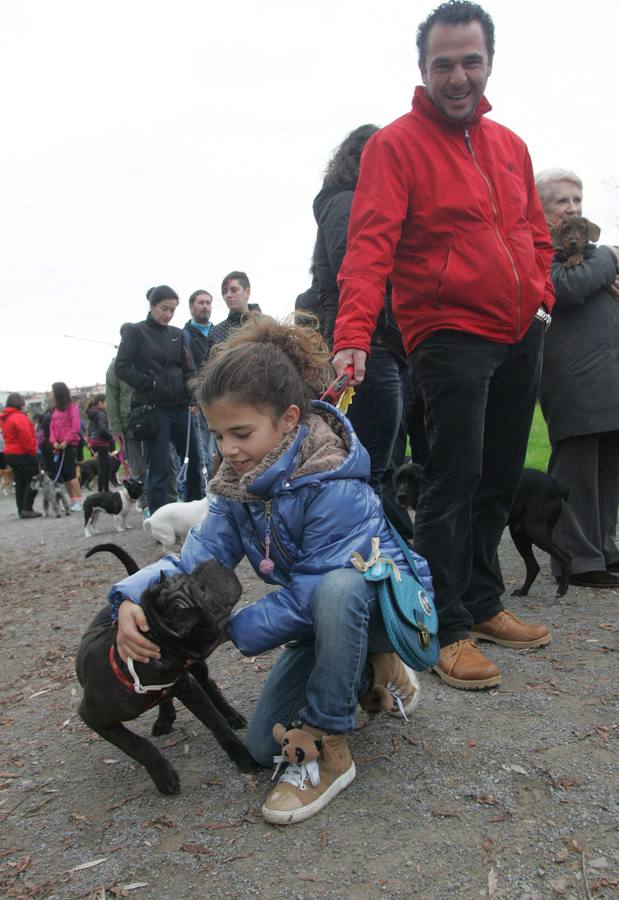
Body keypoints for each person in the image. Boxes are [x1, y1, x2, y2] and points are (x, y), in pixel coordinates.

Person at [109, 315, 433, 825]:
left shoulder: (334, 483)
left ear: (288, 419)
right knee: (263, 747)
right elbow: (195, 561)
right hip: (320, 623)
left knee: (338, 587)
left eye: (240, 433)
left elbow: (310, 596)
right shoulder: (238, 485)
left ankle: (329, 745)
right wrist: (131, 598)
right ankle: (375, 671)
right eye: (216, 435)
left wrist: (221, 631)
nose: (227, 450)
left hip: (378, 610)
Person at [331, 0, 554, 690]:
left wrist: (541, 291)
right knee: (450, 481)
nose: (457, 77)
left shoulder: (509, 145)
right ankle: (441, 623)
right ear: (422, 68)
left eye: (470, 62)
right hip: (449, 332)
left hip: (520, 330)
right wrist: (352, 335)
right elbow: (368, 247)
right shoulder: (394, 145)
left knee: (498, 476)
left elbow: (532, 227)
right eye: (443, 64)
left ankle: (482, 602)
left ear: (488, 61)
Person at [312, 124, 412, 539]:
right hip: (366, 343)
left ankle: (375, 551)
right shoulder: (349, 203)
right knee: (368, 466)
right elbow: (351, 267)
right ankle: (362, 558)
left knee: (378, 464)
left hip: (379, 341)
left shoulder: (349, 202)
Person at [535, 169, 619, 588]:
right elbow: (566, 288)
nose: (572, 209)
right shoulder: (539, 252)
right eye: (562, 202)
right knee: (578, 470)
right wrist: (611, 257)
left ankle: (603, 549)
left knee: (607, 467)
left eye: (577, 202)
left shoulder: (591, 254)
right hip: (572, 378)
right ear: (542, 210)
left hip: (607, 376)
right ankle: (577, 559)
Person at [115, 286, 202, 514]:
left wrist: (193, 396)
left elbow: (189, 369)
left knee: (194, 459)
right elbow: (122, 367)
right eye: (164, 308)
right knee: (159, 467)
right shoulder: (136, 332)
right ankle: (160, 518)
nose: (168, 314)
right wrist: (149, 383)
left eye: (173, 310)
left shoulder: (177, 334)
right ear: (152, 306)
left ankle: (195, 513)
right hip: (154, 409)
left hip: (181, 407)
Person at [106, 324, 177, 510]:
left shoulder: (152, 359)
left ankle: (172, 502)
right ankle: (146, 505)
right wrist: (116, 428)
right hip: (130, 423)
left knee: (166, 463)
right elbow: (111, 399)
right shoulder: (115, 367)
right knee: (138, 469)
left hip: (156, 418)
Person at [183, 289, 217, 482]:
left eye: (208, 302)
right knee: (203, 451)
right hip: (197, 404)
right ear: (191, 307)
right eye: (200, 302)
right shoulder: (183, 336)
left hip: (219, 400)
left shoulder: (218, 331)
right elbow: (186, 371)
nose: (205, 306)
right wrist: (192, 399)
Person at [0, 393, 41, 519]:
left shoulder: (5, 417)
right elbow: (26, 437)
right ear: (20, 403)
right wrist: (32, 452)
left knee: (20, 482)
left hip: (10, 453)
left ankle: (21, 509)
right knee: (34, 479)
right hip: (22, 453)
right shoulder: (19, 417)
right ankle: (28, 508)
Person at [49, 381, 83, 511]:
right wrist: (54, 442)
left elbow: (75, 427)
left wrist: (66, 441)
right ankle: (72, 500)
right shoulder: (55, 409)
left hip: (69, 445)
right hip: (58, 446)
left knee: (71, 473)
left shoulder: (72, 407)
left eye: (52, 391)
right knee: (65, 474)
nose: (51, 394)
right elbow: (51, 428)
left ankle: (79, 500)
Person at [208, 271, 261, 347]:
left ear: (247, 292)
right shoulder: (215, 332)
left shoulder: (267, 326)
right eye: (224, 292)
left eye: (234, 290)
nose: (228, 295)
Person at [86, 394, 114, 493]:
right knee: (103, 468)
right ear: (100, 403)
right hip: (101, 442)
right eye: (105, 402)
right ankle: (102, 492)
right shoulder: (100, 413)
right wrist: (111, 436)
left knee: (103, 466)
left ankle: (104, 490)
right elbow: (102, 429)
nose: (107, 404)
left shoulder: (93, 413)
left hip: (94, 441)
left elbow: (91, 429)